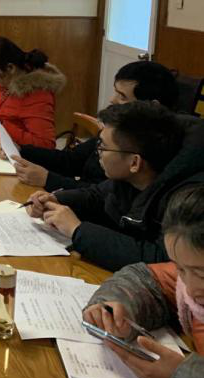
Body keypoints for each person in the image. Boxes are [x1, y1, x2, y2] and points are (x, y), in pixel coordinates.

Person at [25, 101, 203, 272]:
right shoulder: (135, 176)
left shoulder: (189, 201)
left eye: (103, 147)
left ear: (134, 162)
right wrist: (55, 200)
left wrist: (77, 230)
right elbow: (98, 195)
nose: (98, 153)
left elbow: (159, 259)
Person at [10, 61, 202, 190]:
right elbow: (71, 160)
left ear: (151, 107)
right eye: (115, 92)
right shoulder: (117, 128)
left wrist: (48, 179)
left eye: (122, 96)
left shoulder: (149, 151)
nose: (112, 100)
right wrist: (20, 150)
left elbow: (103, 196)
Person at [83, 185, 204, 378]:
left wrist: (182, 376)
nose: (189, 289)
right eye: (180, 268)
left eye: (201, 274)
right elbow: (144, 279)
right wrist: (116, 309)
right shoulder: (187, 282)